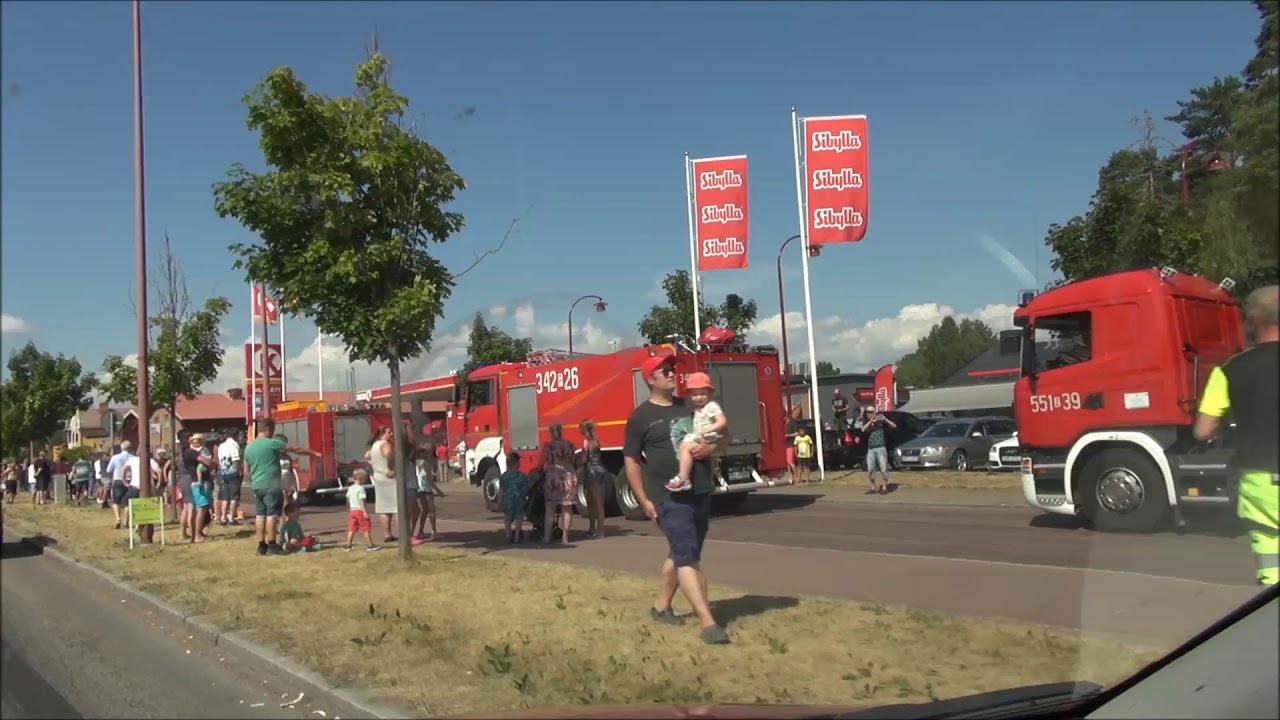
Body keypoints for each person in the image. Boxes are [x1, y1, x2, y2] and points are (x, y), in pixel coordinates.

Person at [623, 351, 731, 645]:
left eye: (672, 369)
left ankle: (661, 606)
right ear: (651, 379)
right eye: (665, 370)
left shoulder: (692, 405)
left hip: (699, 490)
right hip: (667, 497)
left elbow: (726, 436)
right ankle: (708, 623)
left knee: (683, 550)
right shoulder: (640, 417)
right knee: (688, 555)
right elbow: (631, 461)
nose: (672, 373)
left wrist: (711, 449)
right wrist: (644, 500)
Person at [1194, 285, 1279, 586]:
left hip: (1261, 482)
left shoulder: (1230, 370)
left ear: (1254, 320)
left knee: (1271, 557)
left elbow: (1203, 430)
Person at [244, 418, 320, 556]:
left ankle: (261, 546)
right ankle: (272, 545)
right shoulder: (272, 443)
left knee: (260, 515)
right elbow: (294, 449)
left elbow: (246, 469)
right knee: (272, 515)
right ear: (268, 429)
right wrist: (313, 453)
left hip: (257, 485)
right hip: (271, 484)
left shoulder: (249, 447)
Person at [666, 372, 728, 493]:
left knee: (684, 447)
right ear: (689, 395)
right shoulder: (699, 409)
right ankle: (699, 477)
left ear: (710, 394)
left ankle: (683, 477)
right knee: (687, 447)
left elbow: (722, 421)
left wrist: (709, 430)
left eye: (703, 394)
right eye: (695, 395)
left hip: (708, 437)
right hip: (703, 436)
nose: (699, 397)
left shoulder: (711, 406)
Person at [541, 423, 578, 544]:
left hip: (553, 476)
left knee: (550, 507)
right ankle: (565, 537)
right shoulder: (570, 445)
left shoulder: (549, 446)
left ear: (551, 433)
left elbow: (542, 461)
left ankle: (547, 537)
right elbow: (573, 460)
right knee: (567, 507)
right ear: (562, 431)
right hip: (569, 475)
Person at [579, 419, 609, 538]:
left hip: (591, 472)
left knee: (593, 502)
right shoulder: (596, 441)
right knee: (597, 502)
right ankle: (595, 529)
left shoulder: (586, 442)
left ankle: (598, 530)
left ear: (584, 429)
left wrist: (577, 460)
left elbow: (584, 460)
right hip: (600, 470)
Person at [412, 440, 443, 543]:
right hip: (425, 489)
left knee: (425, 510)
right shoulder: (425, 463)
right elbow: (429, 478)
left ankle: (421, 531)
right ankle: (433, 531)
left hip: (420, 488)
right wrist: (438, 491)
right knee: (431, 509)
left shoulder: (415, 463)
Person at [344, 467, 381, 551]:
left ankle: (348, 545)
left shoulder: (350, 488)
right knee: (366, 528)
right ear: (362, 478)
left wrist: (348, 509)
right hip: (359, 510)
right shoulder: (361, 489)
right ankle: (370, 545)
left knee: (351, 528)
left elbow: (348, 499)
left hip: (352, 510)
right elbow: (362, 501)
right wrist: (365, 512)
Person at [864, 408, 897, 494]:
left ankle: (885, 487)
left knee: (883, 468)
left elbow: (894, 426)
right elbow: (863, 429)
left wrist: (885, 419)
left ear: (874, 413)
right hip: (871, 449)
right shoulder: (867, 422)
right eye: (867, 412)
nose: (868, 414)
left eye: (870, 412)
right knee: (870, 469)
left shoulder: (881, 422)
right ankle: (873, 487)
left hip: (881, 448)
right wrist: (871, 421)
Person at [499, 451, 530, 544]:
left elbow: (501, 490)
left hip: (508, 501)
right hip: (519, 500)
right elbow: (525, 489)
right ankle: (517, 536)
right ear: (517, 463)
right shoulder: (522, 476)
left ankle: (508, 536)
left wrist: (500, 501)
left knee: (508, 519)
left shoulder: (504, 476)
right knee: (518, 518)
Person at [217, 429, 244, 526]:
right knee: (234, 496)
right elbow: (235, 459)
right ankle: (231, 517)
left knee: (225, 496)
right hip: (233, 472)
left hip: (223, 472)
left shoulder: (222, 445)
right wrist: (240, 471)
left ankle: (223, 517)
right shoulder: (234, 445)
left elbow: (219, 460)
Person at [107, 442, 136, 529]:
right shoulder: (134, 458)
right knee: (128, 502)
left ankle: (118, 519)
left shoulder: (115, 457)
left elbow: (109, 470)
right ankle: (126, 522)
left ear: (121, 448)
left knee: (116, 501)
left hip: (118, 480)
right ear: (130, 448)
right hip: (129, 480)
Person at [784, 405, 801, 481]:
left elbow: (797, 433)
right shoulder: (783, 424)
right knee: (788, 463)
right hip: (785, 445)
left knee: (791, 462)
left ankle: (798, 478)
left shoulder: (792, 422)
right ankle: (791, 477)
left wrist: (788, 435)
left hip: (791, 445)